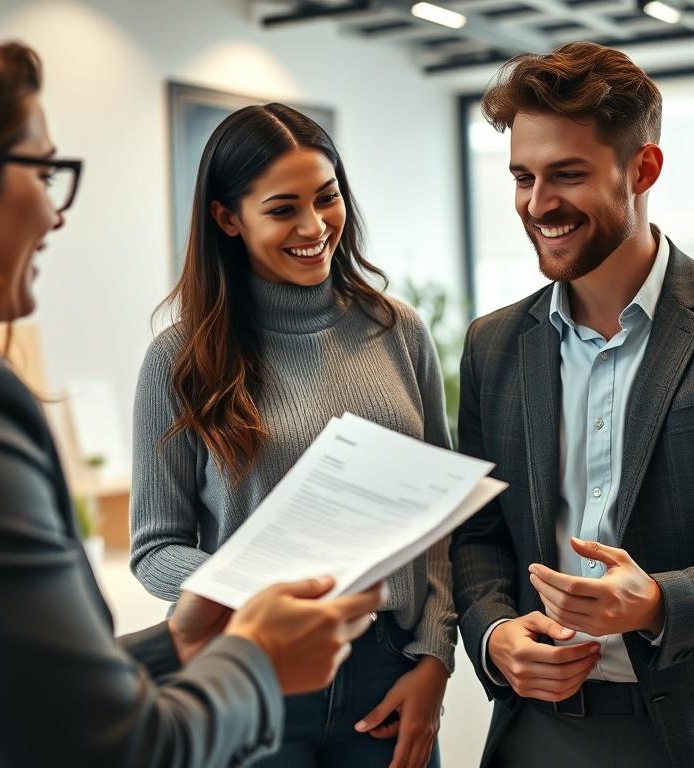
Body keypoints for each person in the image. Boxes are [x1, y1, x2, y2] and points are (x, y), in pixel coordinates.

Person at [0, 14, 385, 767]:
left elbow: (11, 687)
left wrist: (174, 644)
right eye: (43, 171)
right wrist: (252, 654)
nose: (57, 212)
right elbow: (116, 747)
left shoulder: (395, 329)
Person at [451, 41, 694, 768]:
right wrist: (497, 635)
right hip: (542, 730)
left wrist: (660, 601)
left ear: (643, 169)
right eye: (523, 177)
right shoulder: (493, 346)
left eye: (567, 175)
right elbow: (477, 539)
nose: (538, 205)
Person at [129, 103, 454, 767]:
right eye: (282, 210)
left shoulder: (399, 332)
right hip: (247, 663)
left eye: (327, 199)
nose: (314, 227)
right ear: (227, 219)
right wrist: (257, 584)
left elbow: (441, 520)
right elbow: (155, 549)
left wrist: (435, 662)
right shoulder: (179, 358)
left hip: (386, 666)